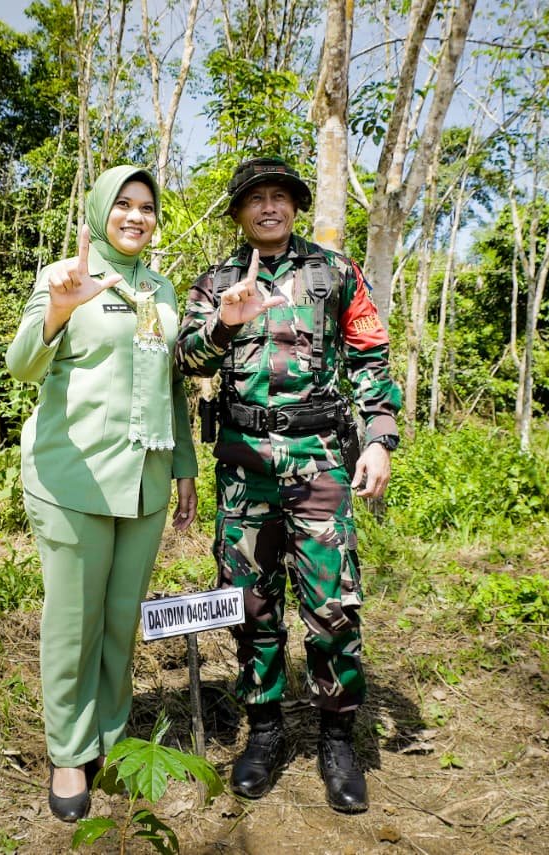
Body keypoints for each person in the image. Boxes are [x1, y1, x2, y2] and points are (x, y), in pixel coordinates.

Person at [175, 156, 401, 813]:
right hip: (245, 468)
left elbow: (370, 353)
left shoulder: (334, 271)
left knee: (332, 605)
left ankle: (338, 739)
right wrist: (225, 322)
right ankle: (265, 729)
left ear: (295, 206)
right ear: (239, 212)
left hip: (318, 461)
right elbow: (185, 355)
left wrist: (379, 438)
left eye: (280, 197)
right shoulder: (216, 281)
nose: (269, 207)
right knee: (250, 605)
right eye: (255, 199)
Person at [6, 165, 198, 821]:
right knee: (74, 621)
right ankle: (68, 750)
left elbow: (170, 385)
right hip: (73, 478)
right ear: (98, 210)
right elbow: (22, 364)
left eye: (147, 206)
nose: (136, 216)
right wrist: (61, 308)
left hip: (145, 481)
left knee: (120, 618)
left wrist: (184, 467)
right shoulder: (65, 274)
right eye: (123, 204)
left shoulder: (160, 289)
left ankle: (110, 736)